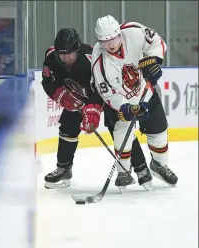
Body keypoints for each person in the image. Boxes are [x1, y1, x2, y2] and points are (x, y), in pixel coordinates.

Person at [42, 28, 153, 191]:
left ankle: (141, 168)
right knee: (67, 124)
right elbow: (48, 81)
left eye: (70, 53)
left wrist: (92, 110)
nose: (65, 58)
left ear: (77, 49)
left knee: (119, 127)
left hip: (106, 95)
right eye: (62, 54)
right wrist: (60, 94)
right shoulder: (51, 57)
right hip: (77, 97)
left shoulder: (92, 58)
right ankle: (64, 169)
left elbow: (104, 88)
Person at [91, 15, 178, 189]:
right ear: (100, 41)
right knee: (122, 132)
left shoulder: (133, 31)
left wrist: (154, 61)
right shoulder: (99, 60)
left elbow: (157, 42)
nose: (111, 44)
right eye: (105, 41)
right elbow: (107, 94)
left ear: (118, 32)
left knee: (159, 131)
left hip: (145, 91)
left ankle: (159, 166)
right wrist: (125, 106)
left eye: (113, 38)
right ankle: (124, 171)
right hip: (122, 101)